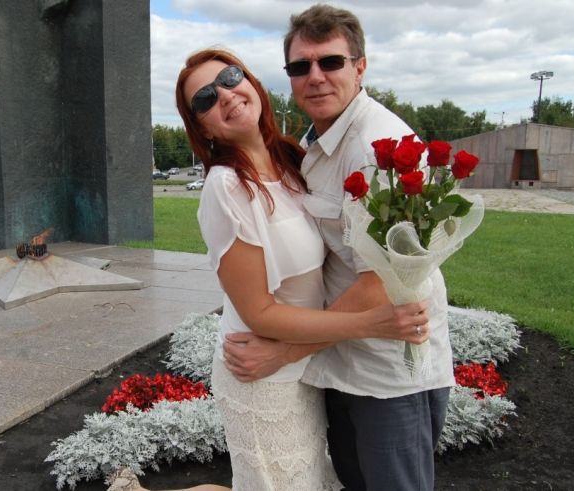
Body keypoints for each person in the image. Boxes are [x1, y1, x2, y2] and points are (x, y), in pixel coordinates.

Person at [167, 48, 429, 491]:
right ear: (202, 127)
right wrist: (371, 322)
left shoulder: (293, 160)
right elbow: (259, 313)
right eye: (205, 99)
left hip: (305, 367)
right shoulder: (226, 188)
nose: (225, 95)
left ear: (252, 82)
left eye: (231, 78)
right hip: (260, 375)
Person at [221, 5, 456, 490]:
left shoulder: (378, 149)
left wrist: (284, 352)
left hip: (388, 374)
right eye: (299, 66)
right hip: (341, 361)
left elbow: (379, 285)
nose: (315, 77)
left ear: (360, 67)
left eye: (330, 62)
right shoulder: (318, 141)